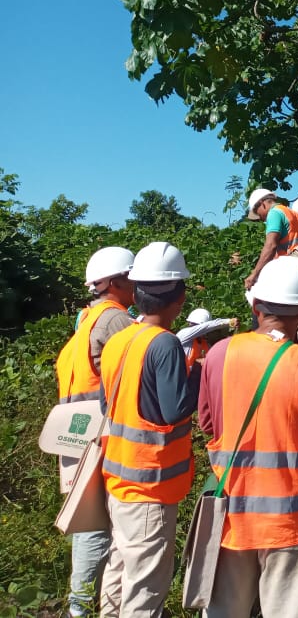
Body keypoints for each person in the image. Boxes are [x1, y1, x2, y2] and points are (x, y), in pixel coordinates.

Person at [198, 256, 298, 617]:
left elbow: (208, 425)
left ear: (256, 304)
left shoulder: (218, 354)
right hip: (292, 524)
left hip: (230, 516)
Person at [98, 242, 199, 618]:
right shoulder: (166, 344)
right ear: (180, 297)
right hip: (151, 486)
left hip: (118, 477)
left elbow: (111, 404)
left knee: (120, 567)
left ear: (137, 292)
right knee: (145, 588)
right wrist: (199, 371)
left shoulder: (119, 340)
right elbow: (175, 411)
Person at [55, 247, 136, 617]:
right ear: (117, 281)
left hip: (73, 432)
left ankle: (82, 603)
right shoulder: (116, 321)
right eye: (133, 278)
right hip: (101, 436)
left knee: (86, 521)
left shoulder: (86, 319)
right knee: (100, 527)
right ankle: (86, 607)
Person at [244, 188, 298, 291]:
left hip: (290, 268)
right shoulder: (291, 212)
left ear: (262, 203)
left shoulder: (274, 214)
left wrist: (254, 274)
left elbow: (270, 246)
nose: (260, 217)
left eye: (257, 212)